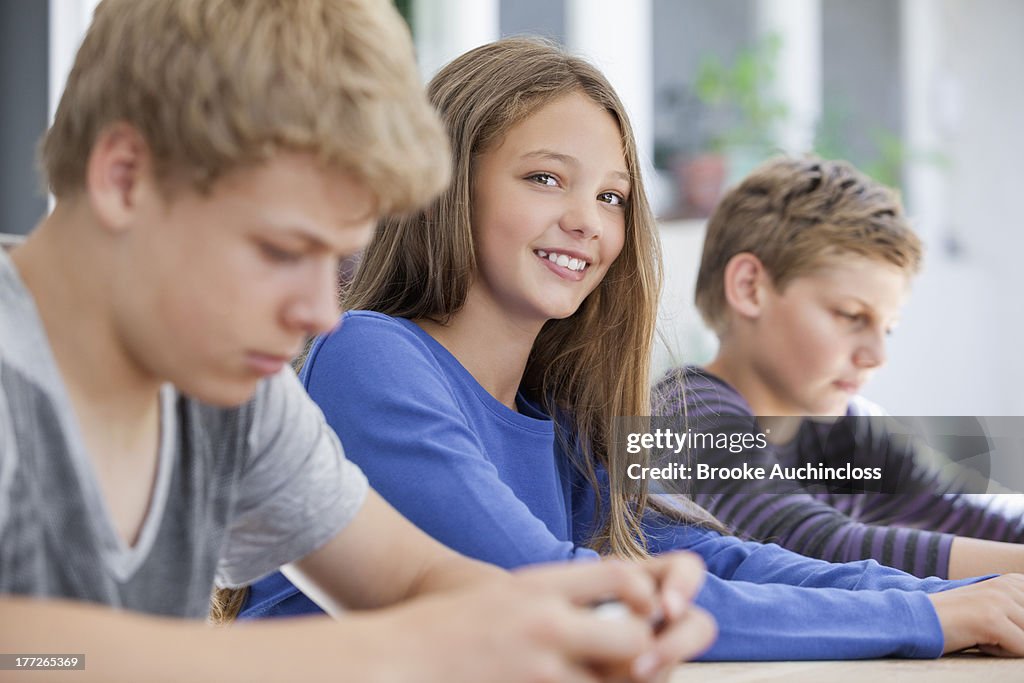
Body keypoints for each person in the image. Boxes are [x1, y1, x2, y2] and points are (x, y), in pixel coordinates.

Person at [239, 37, 1024, 661]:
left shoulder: (559, 418)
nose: (589, 219)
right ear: (444, 184)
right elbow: (560, 589)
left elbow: (720, 559)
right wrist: (919, 612)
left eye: (611, 196)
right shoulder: (371, 356)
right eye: (546, 178)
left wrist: (974, 595)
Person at [0, 3, 716, 681]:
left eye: (335, 255)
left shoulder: (229, 396)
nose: (321, 313)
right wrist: (411, 641)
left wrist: (585, 617)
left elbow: (416, 576)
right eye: (284, 248)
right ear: (125, 178)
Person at [653, 156, 1024, 581]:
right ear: (749, 288)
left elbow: (960, 515)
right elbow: (811, 545)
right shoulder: (682, 415)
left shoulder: (851, 432)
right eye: (851, 316)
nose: (877, 354)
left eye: (888, 328)